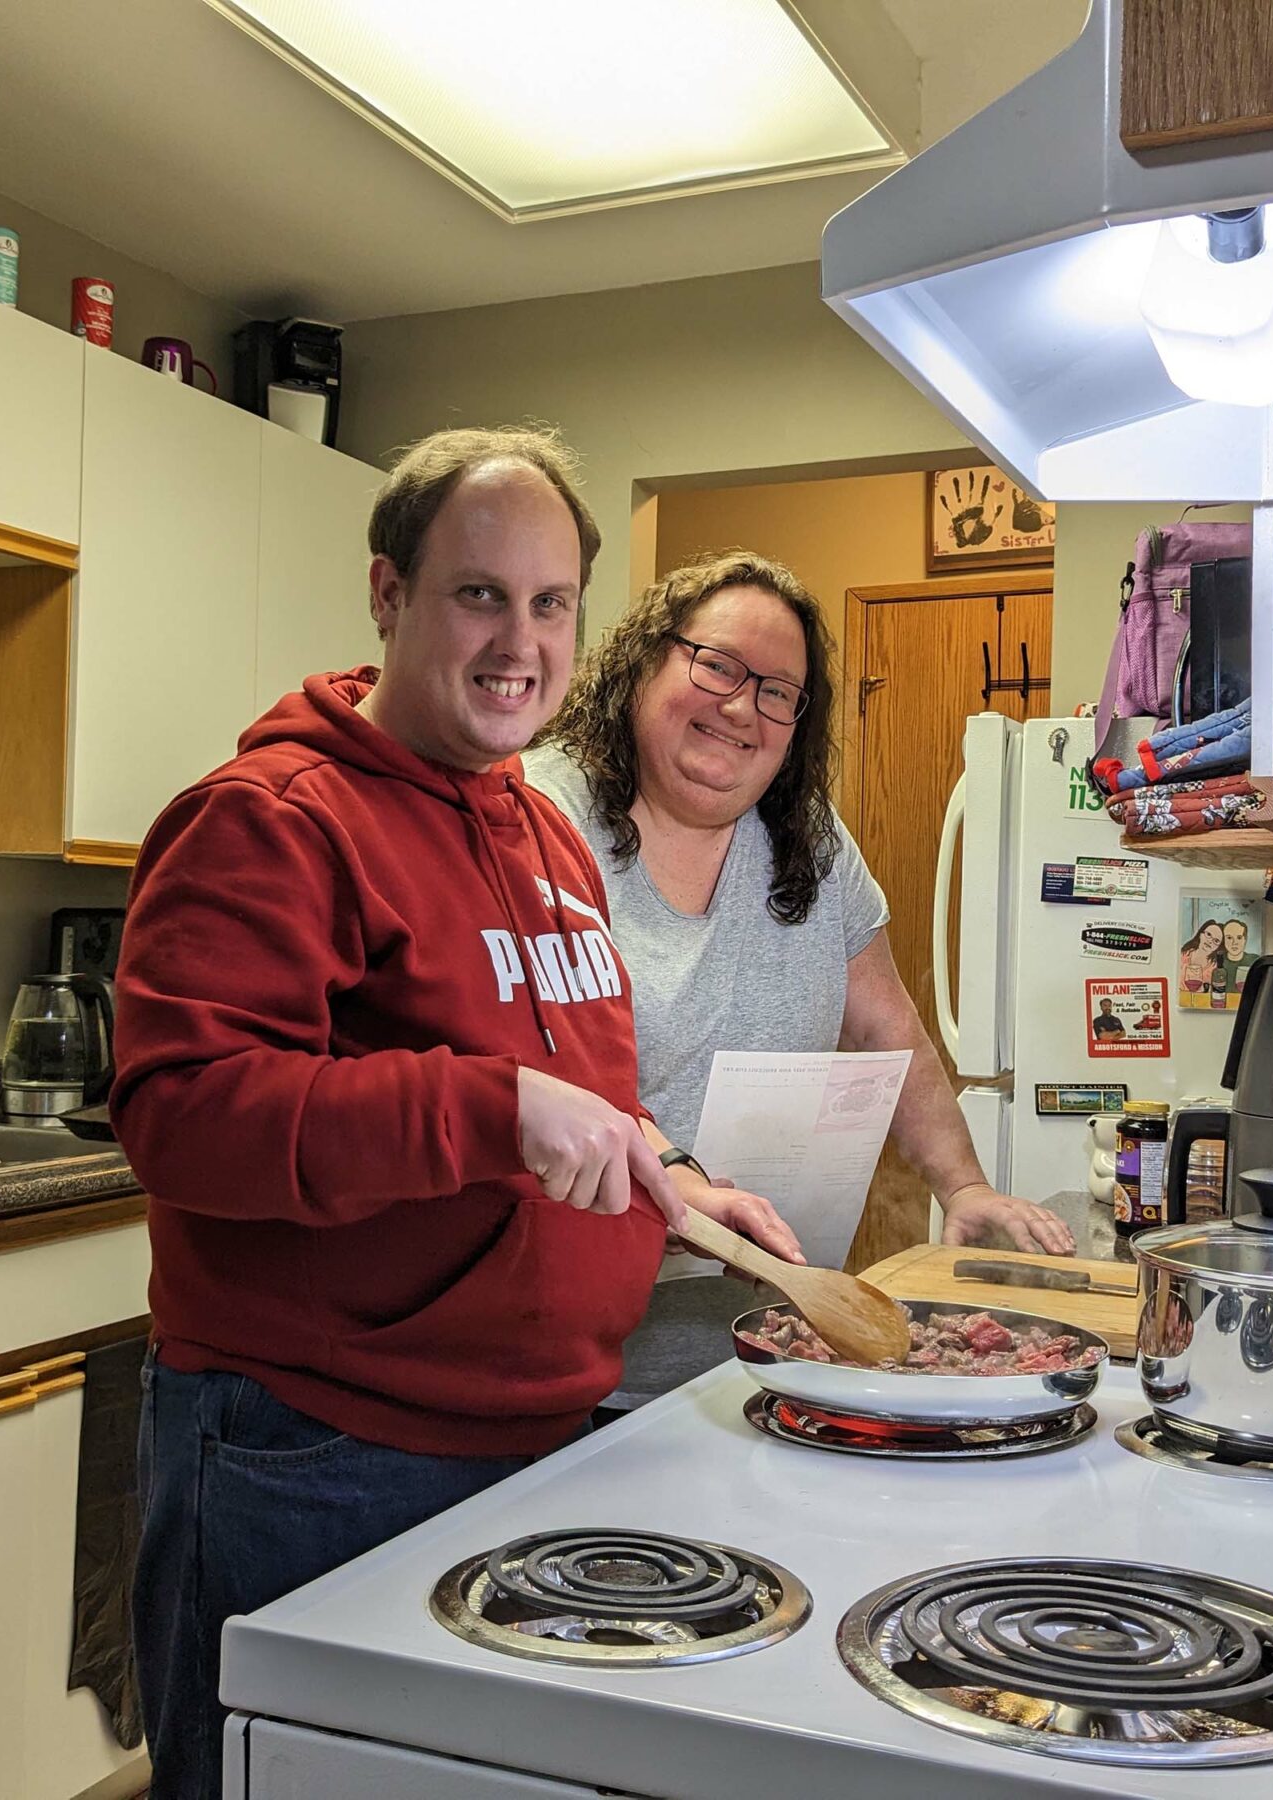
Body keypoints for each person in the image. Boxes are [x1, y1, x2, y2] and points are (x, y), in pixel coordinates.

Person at [112, 430, 802, 1800]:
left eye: (551, 605)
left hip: (531, 1437)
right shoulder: (269, 818)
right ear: (389, 594)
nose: (520, 643)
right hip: (312, 1452)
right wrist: (490, 1109)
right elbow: (184, 1115)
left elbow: (582, 1083)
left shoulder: (540, 831)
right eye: (480, 594)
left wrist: (675, 1173)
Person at [523, 551, 1075, 1400]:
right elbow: (516, 1075)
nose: (743, 707)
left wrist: (961, 1185)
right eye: (717, 666)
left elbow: (883, 1022)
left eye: (779, 692)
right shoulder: (535, 817)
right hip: (563, 1366)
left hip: (771, 1344)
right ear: (642, 664)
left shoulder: (809, 840)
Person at [1178, 920, 1224, 997]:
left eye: (1216, 941)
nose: (1210, 941)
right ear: (1200, 934)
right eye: (1208, 934)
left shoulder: (1216, 968)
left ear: (1219, 946)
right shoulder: (1183, 954)